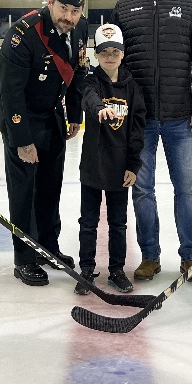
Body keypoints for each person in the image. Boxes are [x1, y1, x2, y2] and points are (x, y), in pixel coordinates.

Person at [112, 0, 192, 283]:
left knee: (187, 188)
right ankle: (150, 257)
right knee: (142, 189)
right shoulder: (124, 7)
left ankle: (190, 257)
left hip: (179, 119)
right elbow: (115, 64)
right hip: (139, 121)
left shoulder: (187, 3)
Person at [0, 0, 87, 287]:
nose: (68, 17)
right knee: (24, 192)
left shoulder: (79, 29)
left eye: (75, 11)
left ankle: (48, 248)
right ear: (49, 1)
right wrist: (22, 140)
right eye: (63, 9)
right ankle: (24, 258)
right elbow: (10, 92)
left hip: (51, 116)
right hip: (20, 117)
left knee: (50, 187)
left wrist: (74, 114)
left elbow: (78, 73)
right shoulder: (24, 33)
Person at [75, 23, 146, 296]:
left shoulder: (133, 89)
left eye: (115, 51)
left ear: (123, 54)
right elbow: (89, 98)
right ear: (96, 54)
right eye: (104, 51)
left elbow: (137, 130)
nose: (110, 56)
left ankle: (117, 270)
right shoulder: (91, 82)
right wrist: (99, 108)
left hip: (120, 168)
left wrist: (133, 165)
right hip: (93, 165)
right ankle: (86, 269)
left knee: (118, 223)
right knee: (88, 222)